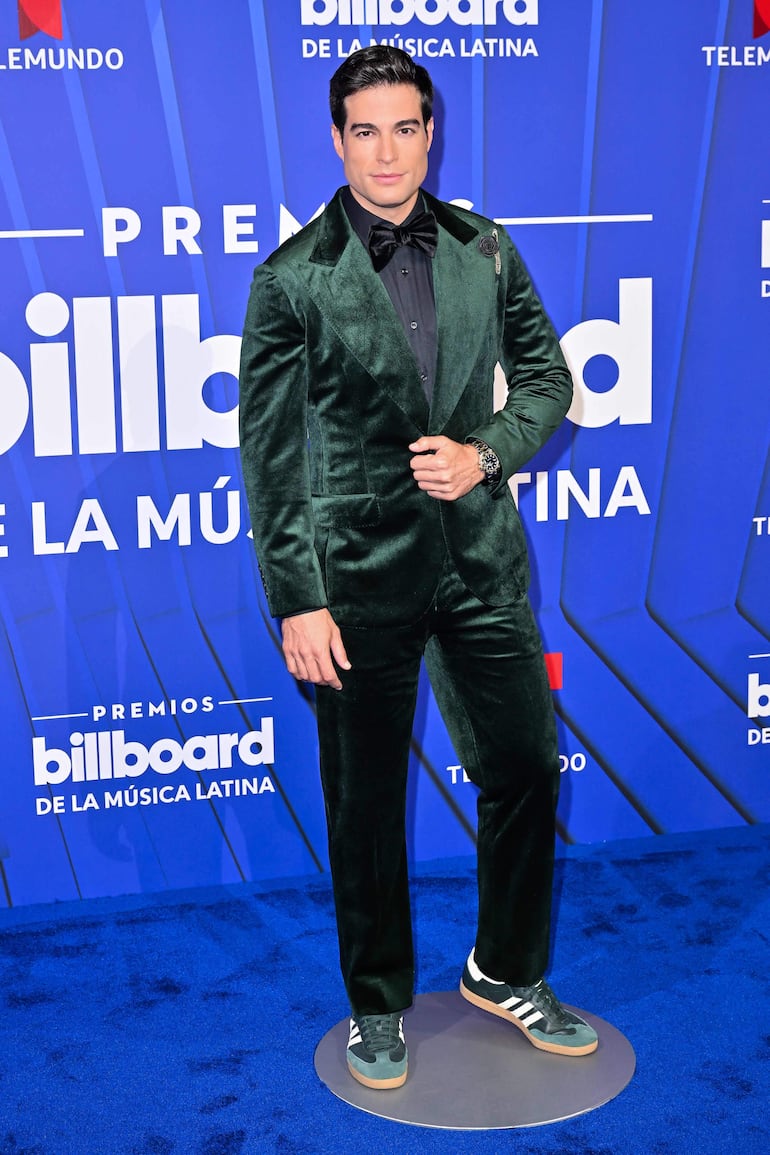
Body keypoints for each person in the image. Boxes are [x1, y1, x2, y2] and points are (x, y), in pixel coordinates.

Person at [239, 45, 597, 1091]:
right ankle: (376, 1004)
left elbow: (546, 376)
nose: (386, 150)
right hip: (354, 578)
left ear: (428, 131)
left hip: (478, 561)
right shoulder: (290, 277)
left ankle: (503, 972)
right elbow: (267, 457)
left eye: (404, 127)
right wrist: (297, 599)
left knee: (524, 766)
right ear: (337, 137)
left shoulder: (482, 248)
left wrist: (485, 450)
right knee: (363, 801)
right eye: (364, 130)